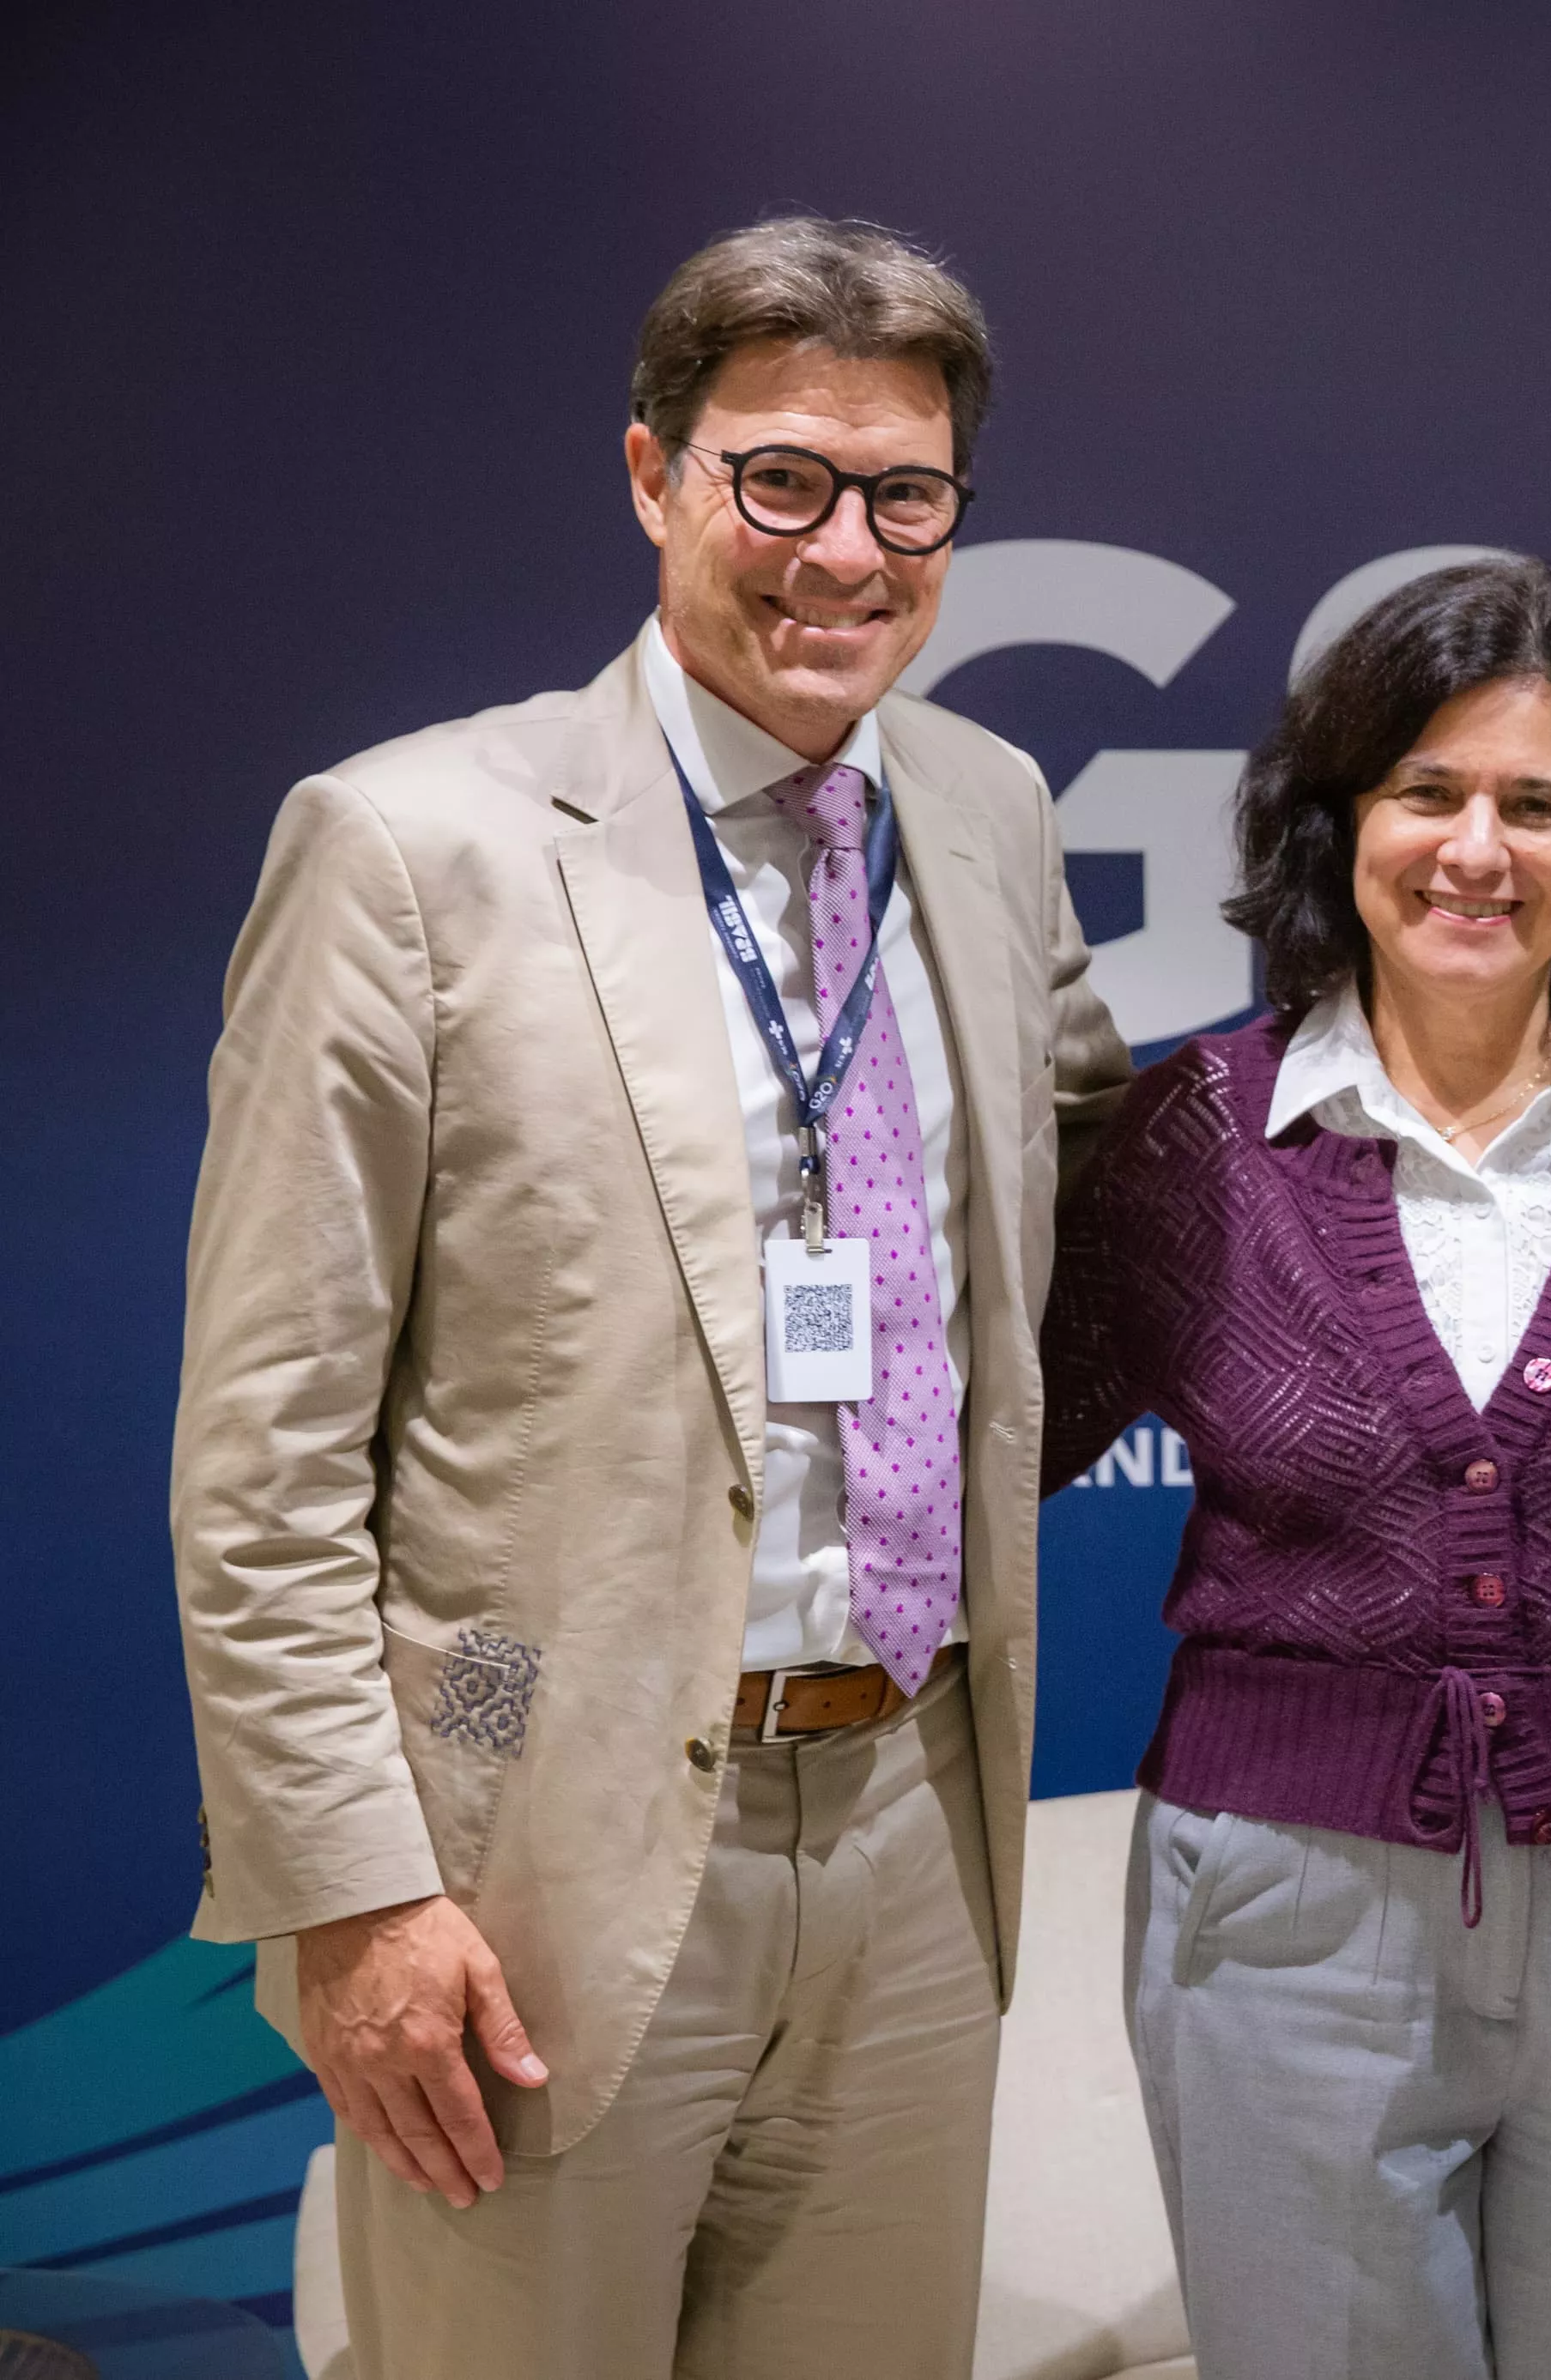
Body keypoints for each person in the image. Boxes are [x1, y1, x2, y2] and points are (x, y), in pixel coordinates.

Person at [167, 217, 1130, 2377]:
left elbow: (1094, 1182)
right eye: (776, 478)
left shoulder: (981, 815)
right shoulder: (411, 843)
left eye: (906, 496)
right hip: (532, 1860)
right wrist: (357, 1895)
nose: (842, 551)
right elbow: (265, 1450)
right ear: (650, 474)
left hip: (906, 1830)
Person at [1040, 557, 1551, 2380]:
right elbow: (974, 1461)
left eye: (1537, 804)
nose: (1477, 849)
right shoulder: (1193, 1140)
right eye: (1426, 792)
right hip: (1283, 1912)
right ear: (1342, 821)